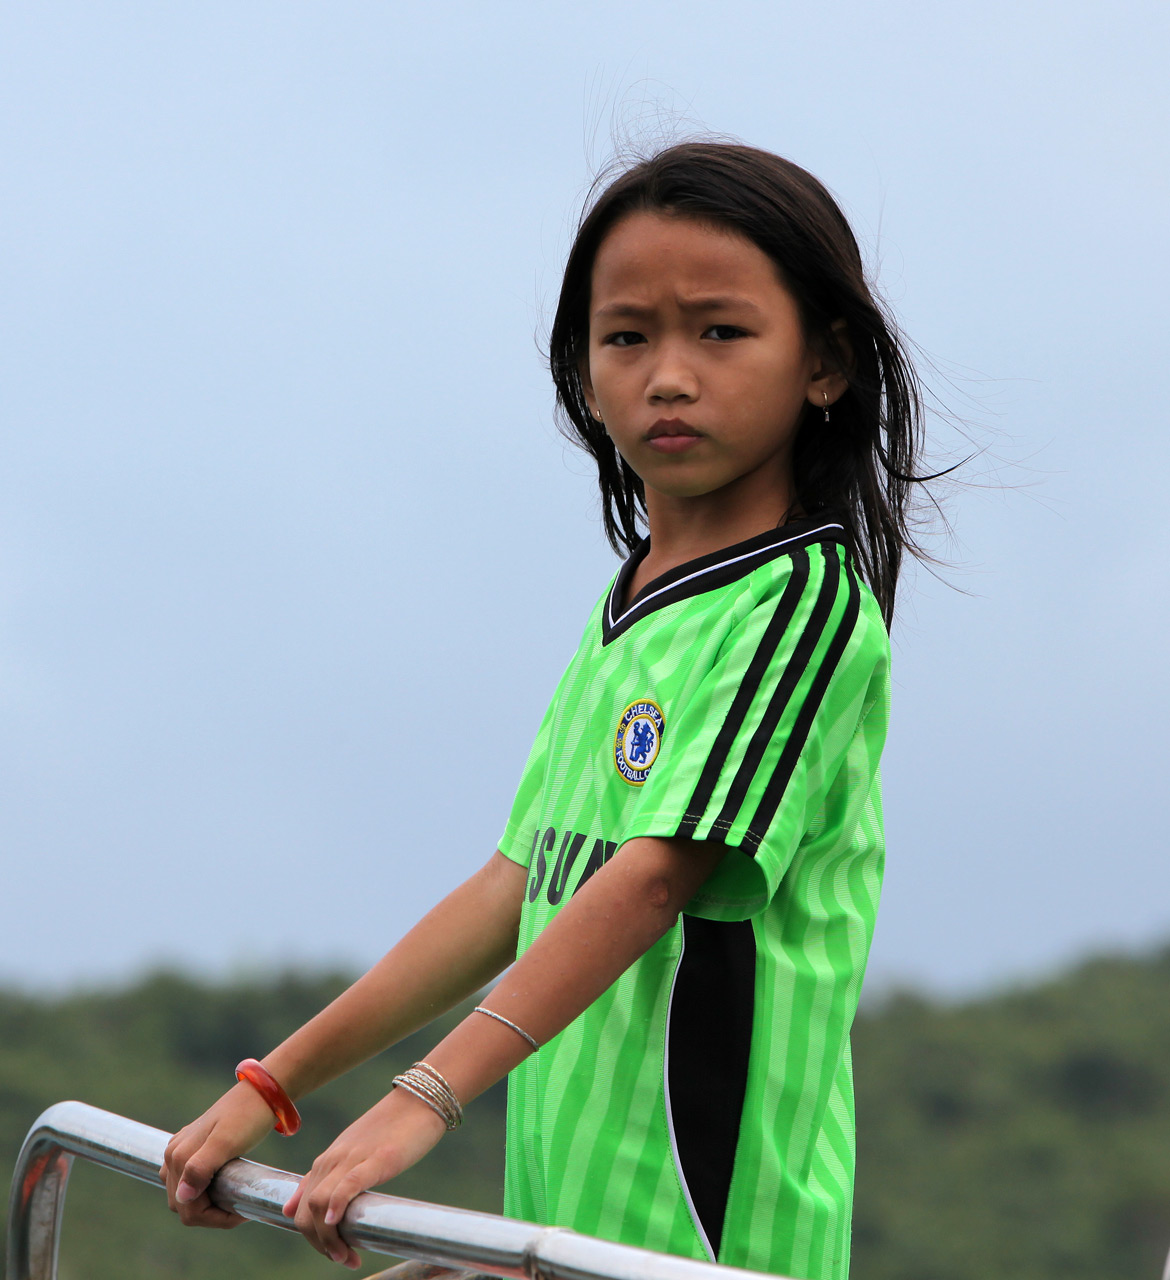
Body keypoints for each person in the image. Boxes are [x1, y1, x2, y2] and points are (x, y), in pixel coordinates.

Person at [161, 141, 931, 1280]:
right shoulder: (629, 606)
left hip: (702, 1234)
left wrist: (424, 1096)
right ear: (581, 368)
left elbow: (654, 877)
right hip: (564, 1222)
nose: (669, 376)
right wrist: (273, 1084)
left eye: (721, 331)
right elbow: (514, 884)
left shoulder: (798, 604)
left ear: (824, 363)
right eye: (627, 337)